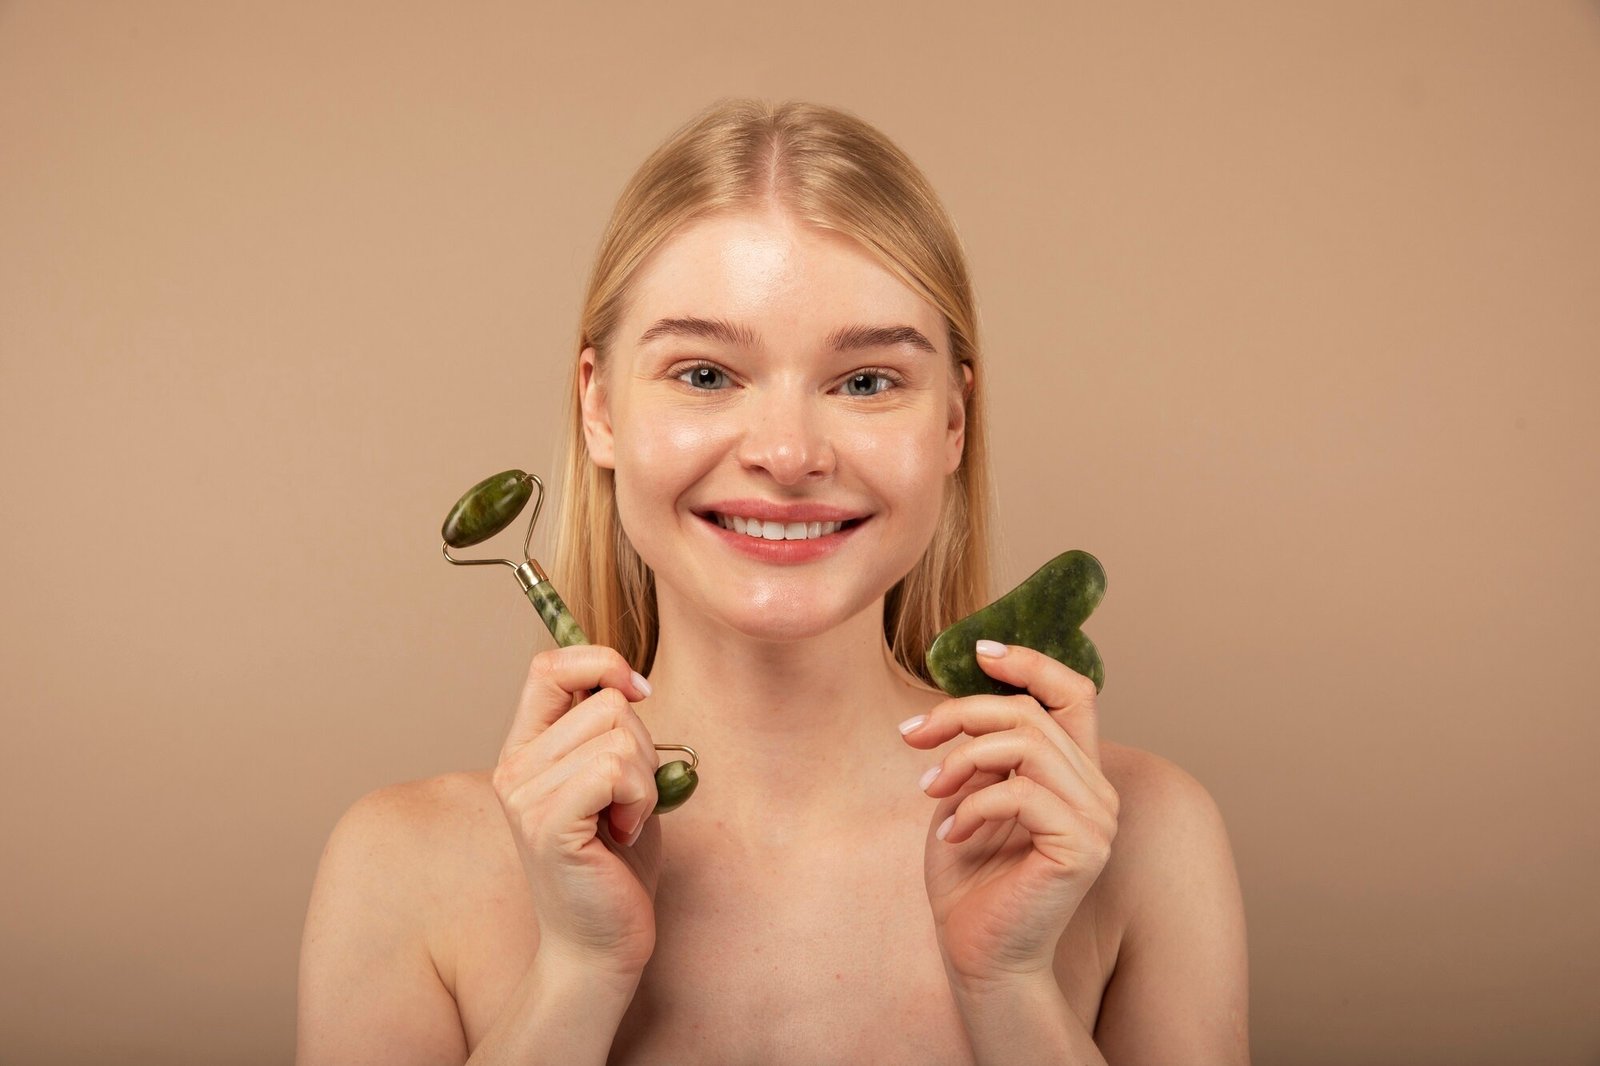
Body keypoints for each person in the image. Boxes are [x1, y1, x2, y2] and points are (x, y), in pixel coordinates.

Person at [296, 98, 1249, 1064]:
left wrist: (1008, 989)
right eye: (706, 375)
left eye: (868, 381)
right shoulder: (399, 871)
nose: (789, 456)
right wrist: (577, 977)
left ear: (953, 424)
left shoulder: (1142, 842)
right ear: (599, 408)